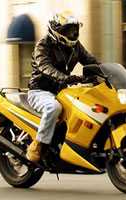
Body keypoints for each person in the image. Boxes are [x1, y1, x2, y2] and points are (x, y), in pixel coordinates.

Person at [26, 11, 99, 163]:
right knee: (53, 108)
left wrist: (107, 73)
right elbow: (44, 66)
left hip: (61, 90)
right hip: (40, 91)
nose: (73, 33)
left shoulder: (76, 47)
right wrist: (65, 78)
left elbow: (91, 61)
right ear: (56, 30)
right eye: (68, 30)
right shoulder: (43, 45)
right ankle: (38, 145)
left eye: (74, 29)